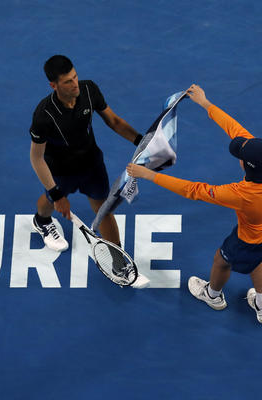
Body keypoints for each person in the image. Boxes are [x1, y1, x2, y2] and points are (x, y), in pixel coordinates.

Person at [126, 84, 262, 323]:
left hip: (249, 240)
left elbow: (194, 191)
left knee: (222, 260)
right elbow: (235, 129)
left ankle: (213, 295)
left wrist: (148, 175)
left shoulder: (242, 194)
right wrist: (205, 103)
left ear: (247, 166)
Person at [29, 55, 143, 255]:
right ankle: (42, 221)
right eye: (67, 81)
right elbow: (36, 158)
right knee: (49, 202)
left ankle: (118, 259)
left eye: (75, 77)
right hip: (60, 171)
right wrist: (56, 194)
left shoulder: (89, 90)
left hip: (92, 164)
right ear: (53, 85)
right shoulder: (43, 116)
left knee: (103, 209)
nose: (75, 84)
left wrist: (140, 142)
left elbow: (114, 121)